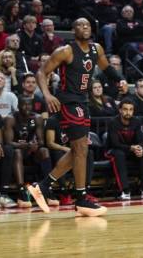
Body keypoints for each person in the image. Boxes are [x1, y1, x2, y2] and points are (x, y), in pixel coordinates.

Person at [28, 17, 128, 217]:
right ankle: (81, 198)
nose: (84, 28)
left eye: (87, 25)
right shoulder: (65, 51)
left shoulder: (96, 49)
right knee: (81, 148)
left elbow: (107, 68)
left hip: (83, 101)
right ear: (73, 30)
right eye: (80, 25)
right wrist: (47, 95)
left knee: (78, 150)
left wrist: (120, 80)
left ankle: (43, 186)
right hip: (67, 101)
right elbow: (41, 73)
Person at [6, 96, 52, 208]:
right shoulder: (11, 118)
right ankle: (21, 191)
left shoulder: (37, 117)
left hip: (31, 152)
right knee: (17, 152)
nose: (27, 107)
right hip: (16, 153)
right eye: (24, 104)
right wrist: (26, 145)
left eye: (29, 105)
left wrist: (36, 145)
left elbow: (41, 141)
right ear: (18, 106)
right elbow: (8, 142)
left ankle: (47, 189)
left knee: (44, 151)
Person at [106, 98, 143, 201]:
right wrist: (131, 148)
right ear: (120, 110)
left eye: (131, 109)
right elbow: (115, 144)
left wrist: (139, 148)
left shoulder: (136, 121)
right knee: (119, 155)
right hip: (113, 150)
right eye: (125, 109)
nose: (128, 112)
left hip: (130, 150)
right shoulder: (113, 122)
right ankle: (125, 191)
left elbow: (141, 140)